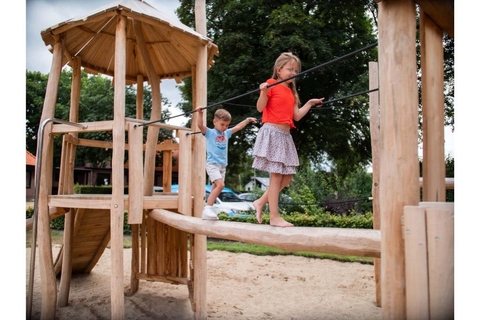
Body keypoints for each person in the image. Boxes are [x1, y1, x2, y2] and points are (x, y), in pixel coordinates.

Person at [252, 52, 324, 227]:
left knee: (288, 177)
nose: (293, 73)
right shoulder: (271, 84)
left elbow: (296, 116)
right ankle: (274, 217)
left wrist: (309, 103)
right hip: (272, 132)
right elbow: (260, 108)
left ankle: (261, 201)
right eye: (289, 69)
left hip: (285, 136)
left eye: (295, 70)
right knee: (276, 176)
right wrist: (263, 92)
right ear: (279, 69)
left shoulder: (292, 93)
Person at [197, 107, 257, 220]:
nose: (224, 127)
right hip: (212, 164)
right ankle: (208, 208)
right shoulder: (210, 133)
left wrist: (248, 119)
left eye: (227, 125)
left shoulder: (227, 133)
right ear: (215, 122)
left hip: (222, 166)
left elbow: (238, 127)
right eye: (222, 124)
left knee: (216, 187)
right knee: (221, 185)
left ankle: (208, 210)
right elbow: (200, 126)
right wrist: (200, 114)